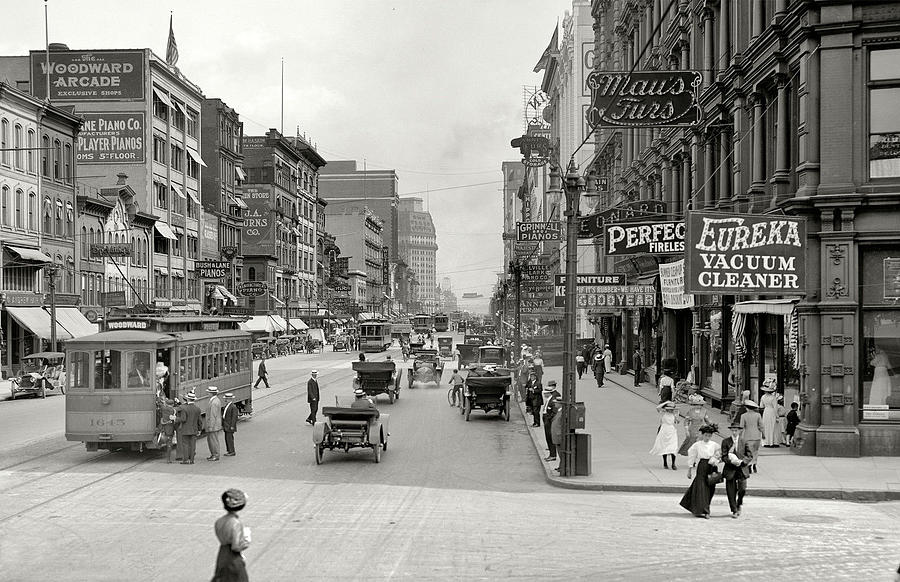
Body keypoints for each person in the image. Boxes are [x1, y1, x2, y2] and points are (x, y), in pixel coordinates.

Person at [679, 423, 721, 518]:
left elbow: (720, 454)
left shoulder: (715, 445)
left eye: (709, 436)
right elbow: (692, 456)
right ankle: (705, 511)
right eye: (706, 435)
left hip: (712, 466)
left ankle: (705, 506)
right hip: (702, 466)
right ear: (702, 434)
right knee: (701, 487)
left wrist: (717, 460)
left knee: (710, 488)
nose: (707, 437)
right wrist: (689, 469)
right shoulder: (697, 445)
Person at [211, 488, 251, 582]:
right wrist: (246, 542)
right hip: (232, 558)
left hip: (222, 554)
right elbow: (236, 546)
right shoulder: (236, 523)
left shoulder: (219, 521)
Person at [721, 421, 753, 518]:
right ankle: (734, 510)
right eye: (733, 430)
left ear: (739, 431)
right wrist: (731, 461)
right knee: (731, 491)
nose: (734, 432)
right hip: (730, 469)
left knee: (742, 488)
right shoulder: (726, 441)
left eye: (736, 431)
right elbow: (724, 456)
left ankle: (739, 503)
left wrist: (743, 462)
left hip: (741, 469)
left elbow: (750, 455)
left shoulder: (744, 441)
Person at [649, 401, 680, 470]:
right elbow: (658, 407)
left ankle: (673, 464)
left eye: (671, 409)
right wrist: (666, 402)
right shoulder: (663, 413)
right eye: (669, 409)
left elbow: (677, 422)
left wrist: (677, 416)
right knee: (664, 447)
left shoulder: (674, 415)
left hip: (671, 431)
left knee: (673, 447)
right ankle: (665, 463)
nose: (670, 410)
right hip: (664, 430)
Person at [177, 392, 203, 464]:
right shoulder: (197, 409)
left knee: (185, 445)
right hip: (194, 430)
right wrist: (200, 429)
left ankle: (185, 460)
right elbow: (199, 421)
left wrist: (175, 418)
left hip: (185, 430)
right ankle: (192, 460)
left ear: (188, 399)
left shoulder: (184, 408)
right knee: (192, 445)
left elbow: (183, 419)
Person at [739, 400, 764, 473]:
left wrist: (740, 436)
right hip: (757, 436)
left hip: (747, 436)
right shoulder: (758, 415)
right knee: (755, 451)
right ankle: (754, 464)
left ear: (747, 408)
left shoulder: (743, 416)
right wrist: (763, 434)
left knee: (749, 452)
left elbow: (741, 427)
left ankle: (749, 464)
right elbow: (761, 426)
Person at [760, 380, 783, 447]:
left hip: (766, 411)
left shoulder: (763, 397)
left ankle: (766, 442)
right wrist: (777, 416)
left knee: (766, 427)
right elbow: (775, 408)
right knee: (773, 427)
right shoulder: (773, 398)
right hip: (772, 412)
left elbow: (761, 406)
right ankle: (773, 442)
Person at [542, 383, 561, 462]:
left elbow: (554, 411)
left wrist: (548, 419)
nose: (544, 395)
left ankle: (552, 455)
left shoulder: (553, 400)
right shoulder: (549, 399)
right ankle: (551, 453)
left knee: (550, 438)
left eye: (545, 393)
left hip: (549, 422)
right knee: (548, 438)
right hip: (547, 421)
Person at [206, 386, 223, 462]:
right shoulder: (215, 400)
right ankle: (213, 454)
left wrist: (211, 426)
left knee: (213, 440)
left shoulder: (214, 402)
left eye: (208, 392)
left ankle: (215, 455)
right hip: (215, 424)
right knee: (212, 440)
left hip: (213, 425)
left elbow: (213, 415)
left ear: (211, 393)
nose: (207, 393)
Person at [158, 397, 176, 463]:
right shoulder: (173, 410)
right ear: (173, 404)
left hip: (163, 428)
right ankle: (168, 459)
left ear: (166, 403)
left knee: (163, 440)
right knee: (169, 444)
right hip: (170, 429)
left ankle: (159, 444)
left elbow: (159, 403)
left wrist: (162, 401)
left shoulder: (164, 408)